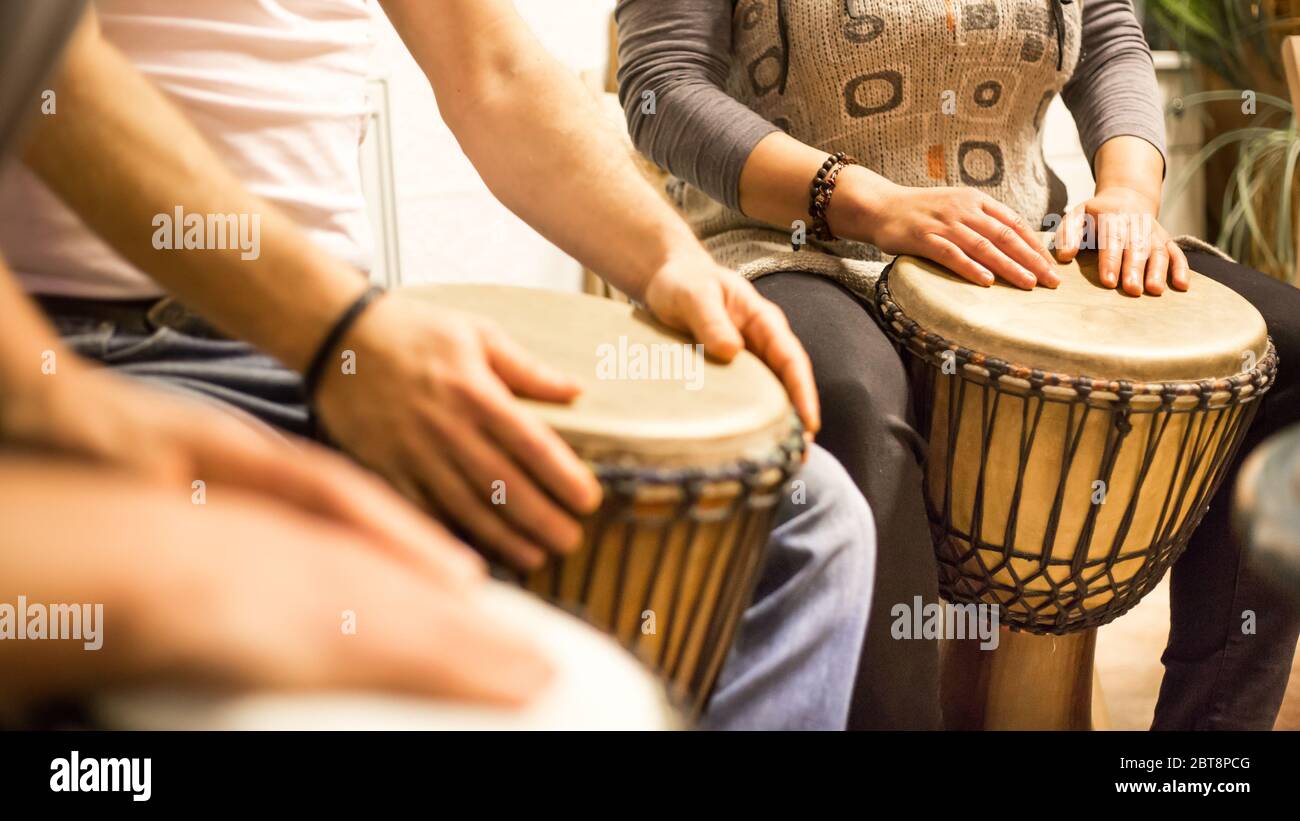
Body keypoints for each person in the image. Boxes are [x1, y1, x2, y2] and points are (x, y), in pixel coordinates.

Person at [2, 1, 876, 729]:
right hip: (103, 358)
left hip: (342, 345)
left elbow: (489, 67)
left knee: (803, 525)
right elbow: (47, 69)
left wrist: (666, 258)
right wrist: (337, 331)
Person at [616, 0, 1300, 729]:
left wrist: (1127, 193)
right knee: (849, 398)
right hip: (794, 243)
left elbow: (1107, 36)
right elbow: (665, 87)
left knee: (1287, 345)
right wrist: (871, 202)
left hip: (1018, 243)